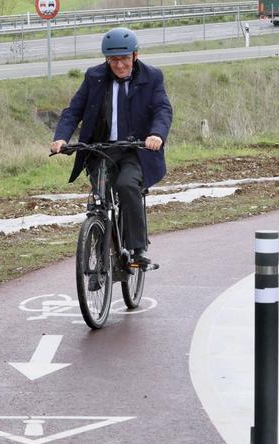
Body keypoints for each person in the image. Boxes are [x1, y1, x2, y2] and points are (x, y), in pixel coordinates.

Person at [51, 27, 173, 265]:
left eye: (124, 59)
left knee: (126, 185)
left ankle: (137, 249)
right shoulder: (93, 76)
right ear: (106, 59)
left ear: (135, 56)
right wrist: (61, 138)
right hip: (101, 149)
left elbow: (162, 110)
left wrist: (156, 134)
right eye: (113, 60)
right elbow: (73, 110)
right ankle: (101, 256)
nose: (119, 65)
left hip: (136, 150)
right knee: (100, 197)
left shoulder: (152, 77)